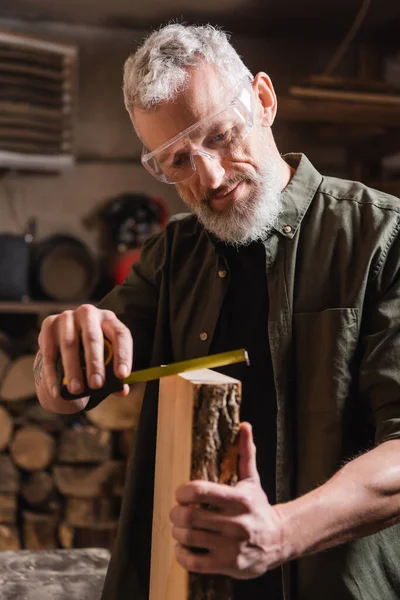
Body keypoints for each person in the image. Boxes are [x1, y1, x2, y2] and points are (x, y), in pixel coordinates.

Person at [34, 23, 400, 600]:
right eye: (176, 161)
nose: (209, 178)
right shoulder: (174, 252)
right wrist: (60, 358)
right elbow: (68, 391)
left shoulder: (381, 236)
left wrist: (279, 532)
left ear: (263, 99)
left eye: (221, 135)